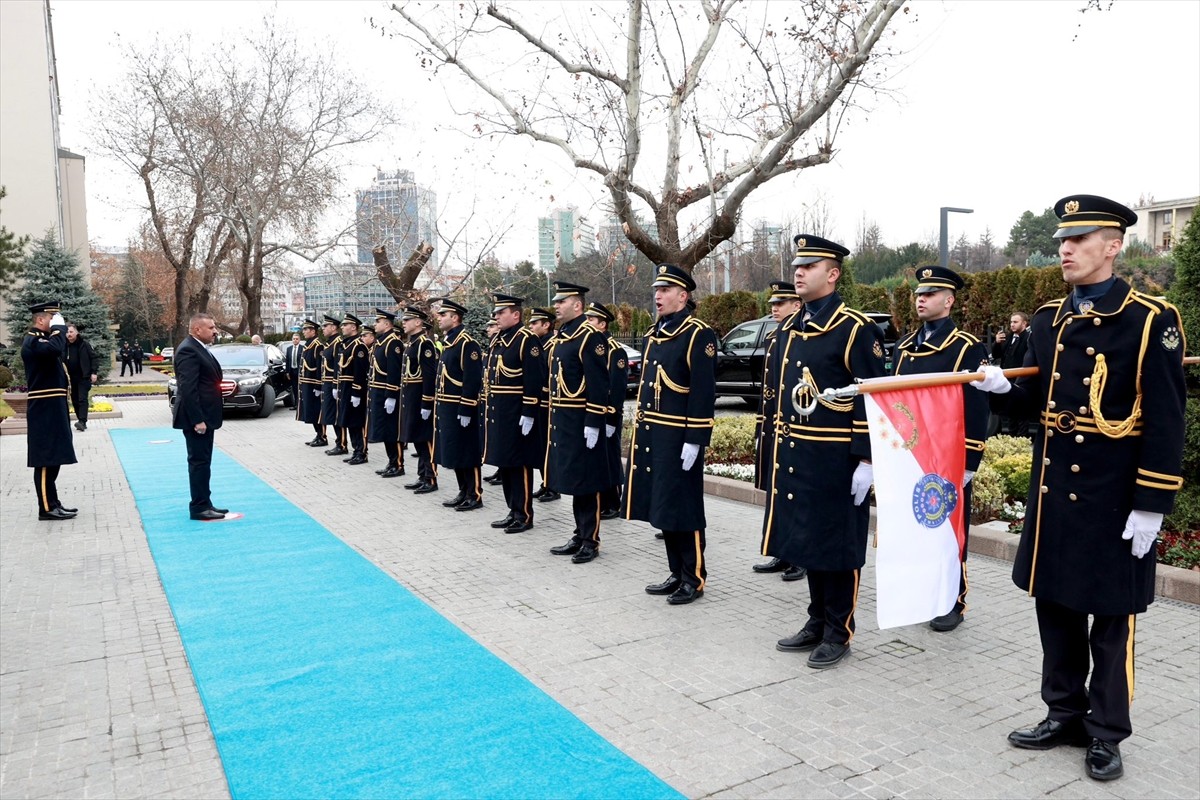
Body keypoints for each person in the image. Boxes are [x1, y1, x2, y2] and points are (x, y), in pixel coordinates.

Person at [976, 195, 1186, 782]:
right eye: (1061, 240)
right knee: (1056, 608)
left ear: (1113, 245)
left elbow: (1168, 418)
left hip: (1114, 496)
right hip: (1055, 493)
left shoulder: (1149, 319)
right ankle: (1063, 712)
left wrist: (1152, 505)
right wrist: (1000, 390)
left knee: (1112, 619)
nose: (1064, 249)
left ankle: (1106, 731)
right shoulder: (1049, 320)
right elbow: (1039, 405)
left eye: (1079, 238)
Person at [762, 234, 886, 669]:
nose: (798, 272)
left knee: (838, 546)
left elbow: (873, 398)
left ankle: (840, 629)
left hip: (838, 460)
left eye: (809, 266)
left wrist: (867, 460)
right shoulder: (790, 327)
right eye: (797, 265)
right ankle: (816, 619)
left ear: (832, 275)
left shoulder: (854, 328)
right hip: (800, 454)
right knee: (809, 541)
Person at [892, 265, 990, 632]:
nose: (921, 299)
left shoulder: (965, 347)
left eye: (930, 294)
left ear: (948, 301)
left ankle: (953, 600)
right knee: (916, 527)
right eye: (919, 294)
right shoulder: (904, 348)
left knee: (949, 529)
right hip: (913, 453)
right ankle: (922, 594)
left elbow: (977, 405)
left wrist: (970, 458)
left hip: (948, 453)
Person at [623, 266, 718, 604]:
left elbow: (703, 391)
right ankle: (676, 571)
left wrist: (696, 438)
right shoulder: (654, 333)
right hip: (655, 434)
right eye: (656, 290)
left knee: (684, 505)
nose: (658, 296)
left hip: (679, 437)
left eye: (665, 290)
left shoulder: (698, 334)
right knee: (664, 505)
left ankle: (694, 577)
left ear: (684, 295)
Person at [544, 282, 612, 564]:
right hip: (564, 420)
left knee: (587, 480)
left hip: (582, 419)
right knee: (573, 479)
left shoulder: (589, 337)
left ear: (578, 305)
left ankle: (590, 539)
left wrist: (594, 421)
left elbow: (599, 382)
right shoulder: (564, 337)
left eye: (562, 301)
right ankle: (579, 532)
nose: (556, 306)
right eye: (556, 302)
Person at [751, 280, 806, 580]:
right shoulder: (775, 337)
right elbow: (768, 390)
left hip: (796, 427)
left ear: (796, 305)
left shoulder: (802, 335)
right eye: (772, 303)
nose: (774, 308)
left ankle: (800, 557)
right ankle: (782, 551)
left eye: (781, 303)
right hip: (775, 425)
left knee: (795, 494)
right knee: (778, 491)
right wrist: (762, 426)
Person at [482, 294, 548, 533]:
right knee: (505, 463)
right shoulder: (499, 339)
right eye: (496, 313)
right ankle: (512, 510)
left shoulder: (526, 340)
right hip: (499, 412)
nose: (496, 316)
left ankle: (524, 514)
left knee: (519, 463)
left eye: (501, 312)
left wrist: (529, 411)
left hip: (517, 413)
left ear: (516, 314)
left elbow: (535, 377)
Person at [22, 301, 78, 521]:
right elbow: (55, 348)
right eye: (51, 317)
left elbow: (58, 348)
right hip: (43, 407)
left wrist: (58, 332)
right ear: (40, 319)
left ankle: (53, 502)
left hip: (53, 405)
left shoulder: (43, 340)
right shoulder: (33, 340)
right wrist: (60, 329)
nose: (55, 322)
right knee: (45, 459)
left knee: (54, 456)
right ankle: (45, 507)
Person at [172, 313, 226, 521]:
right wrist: (197, 419)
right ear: (197, 330)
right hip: (197, 418)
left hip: (205, 416)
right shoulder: (188, 350)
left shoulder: (198, 347)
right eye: (211, 328)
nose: (215, 331)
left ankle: (206, 502)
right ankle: (199, 507)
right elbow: (188, 388)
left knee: (204, 461)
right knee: (199, 462)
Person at [433, 298, 484, 511]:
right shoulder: (450, 342)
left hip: (460, 406)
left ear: (455, 318)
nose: (440, 318)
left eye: (443, 315)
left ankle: (475, 494)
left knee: (467, 451)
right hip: (447, 406)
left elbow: (472, 379)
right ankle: (463, 491)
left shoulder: (466, 343)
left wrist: (466, 407)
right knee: (454, 451)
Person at [583, 302, 628, 520]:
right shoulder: (593, 346)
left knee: (610, 457)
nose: (587, 322)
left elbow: (617, 387)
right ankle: (603, 499)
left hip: (609, 414)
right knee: (599, 459)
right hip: (595, 412)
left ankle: (614, 501)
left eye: (591, 320)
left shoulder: (614, 350)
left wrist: (611, 417)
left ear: (602, 323)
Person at [401, 308, 439, 494]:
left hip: (420, 397)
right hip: (411, 396)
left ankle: (431, 478)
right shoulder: (411, 343)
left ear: (418, 322)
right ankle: (422, 474)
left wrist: (427, 402)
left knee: (425, 439)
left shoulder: (425, 344)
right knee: (416, 437)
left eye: (407, 319)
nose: (404, 322)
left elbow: (429, 375)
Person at [527, 307, 560, 504]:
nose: (530, 326)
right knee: (541, 446)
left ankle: (553, 486)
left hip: (548, 403)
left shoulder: (552, 345)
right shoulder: (538, 345)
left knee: (548, 445)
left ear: (546, 325)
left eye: (534, 323)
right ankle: (546, 483)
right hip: (539, 402)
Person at [368, 309, 405, 478]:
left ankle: (398, 464)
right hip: (378, 391)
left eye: (378, 321)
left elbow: (394, 371)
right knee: (383, 429)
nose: (375, 324)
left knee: (391, 429)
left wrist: (391, 395)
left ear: (387, 324)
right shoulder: (381, 342)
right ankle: (391, 462)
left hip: (387, 392)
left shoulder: (393, 343)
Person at [336, 313, 370, 465]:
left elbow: (360, 371)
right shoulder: (346, 344)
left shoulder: (359, 346)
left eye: (345, 325)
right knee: (349, 420)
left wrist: (357, 392)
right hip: (345, 387)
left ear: (354, 327)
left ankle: (362, 452)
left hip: (354, 388)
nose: (342, 327)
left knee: (357, 421)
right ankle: (356, 449)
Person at [997, 312, 1032, 436]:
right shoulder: (1008, 337)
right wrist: (997, 343)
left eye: (1015, 322)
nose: (1012, 325)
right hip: (1007, 379)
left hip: (1021, 380)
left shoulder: (1029, 338)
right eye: (1011, 322)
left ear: (1024, 323)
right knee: (1010, 410)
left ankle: (1021, 439)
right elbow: (997, 355)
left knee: (1022, 413)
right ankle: (1011, 438)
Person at [320, 314, 348, 456]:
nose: (323, 328)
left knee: (337, 415)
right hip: (327, 382)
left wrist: (335, 385)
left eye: (325, 326)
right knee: (331, 414)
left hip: (333, 382)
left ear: (333, 327)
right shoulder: (329, 343)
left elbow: (339, 366)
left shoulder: (337, 343)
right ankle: (339, 442)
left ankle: (342, 444)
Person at [64, 323, 98, 432]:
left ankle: (82, 421)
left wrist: (93, 372)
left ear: (76, 332)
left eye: (71, 332)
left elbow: (94, 358)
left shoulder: (84, 344)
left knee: (82, 399)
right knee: (75, 400)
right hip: (70, 379)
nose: (69, 334)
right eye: (67, 332)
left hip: (83, 377)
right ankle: (80, 420)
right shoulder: (64, 346)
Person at [285, 332, 303, 403]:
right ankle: (296, 404)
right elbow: (287, 361)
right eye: (294, 339)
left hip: (300, 371)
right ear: (292, 340)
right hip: (292, 371)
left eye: (296, 339)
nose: (295, 340)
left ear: (299, 340)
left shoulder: (302, 348)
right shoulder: (289, 349)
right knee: (294, 388)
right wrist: (287, 372)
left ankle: (301, 403)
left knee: (300, 388)